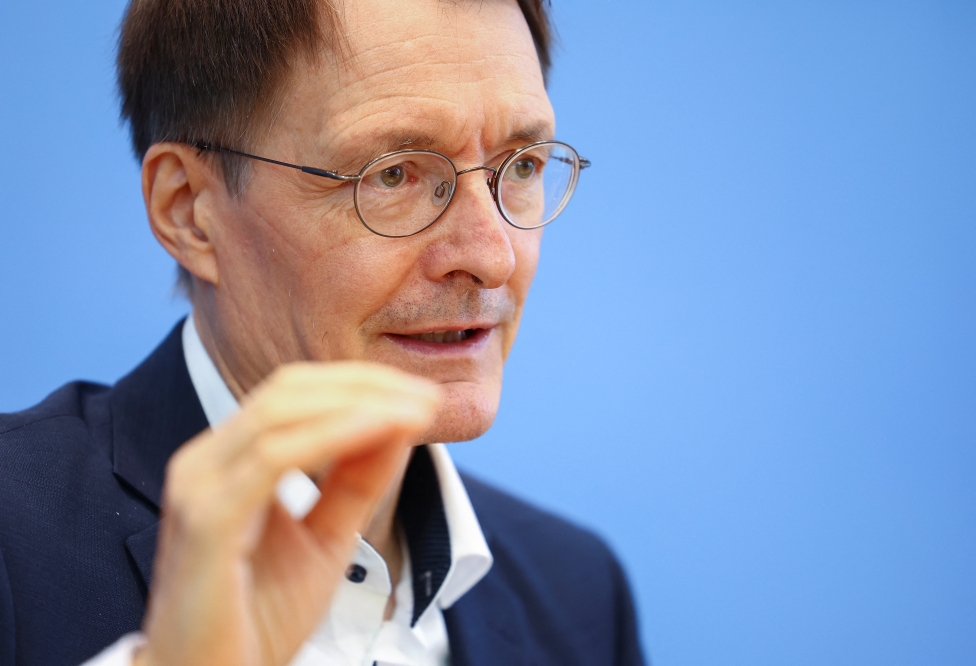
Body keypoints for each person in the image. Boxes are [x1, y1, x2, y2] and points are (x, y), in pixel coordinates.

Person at [0, 0, 645, 664]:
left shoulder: (581, 597)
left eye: (523, 166)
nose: (492, 257)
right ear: (189, 212)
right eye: (393, 174)